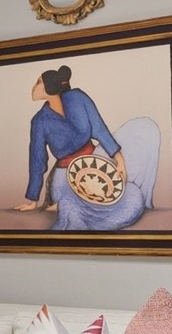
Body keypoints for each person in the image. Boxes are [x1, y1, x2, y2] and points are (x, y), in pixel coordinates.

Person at [13, 66, 161, 230]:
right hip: (65, 177)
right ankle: (67, 205)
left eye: (38, 82)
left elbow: (99, 129)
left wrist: (119, 160)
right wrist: (33, 199)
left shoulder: (78, 98)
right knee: (73, 206)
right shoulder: (39, 121)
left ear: (50, 86)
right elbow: (37, 159)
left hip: (94, 162)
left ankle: (72, 208)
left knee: (133, 197)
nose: (34, 87)